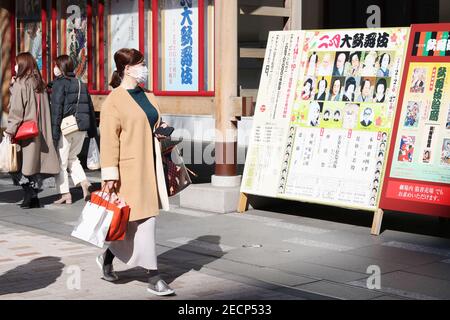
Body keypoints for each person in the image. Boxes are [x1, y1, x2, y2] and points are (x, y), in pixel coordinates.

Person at [97, 48, 174, 296]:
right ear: (126, 69)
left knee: (132, 223)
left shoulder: (148, 95)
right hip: (128, 171)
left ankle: (107, 256)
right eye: (141, 64)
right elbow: (108, 141)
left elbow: (153, 122)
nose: (145, 69)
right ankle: (154, 276)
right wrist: (109, 176)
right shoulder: (114, 101)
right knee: (144, 220)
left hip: (150, 167)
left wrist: (162, 128)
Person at [4, 52, 59, 208]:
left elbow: (16, 110)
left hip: (24, 131)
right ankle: (33, 196)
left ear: (22, 65)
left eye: (16, 63)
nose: (15, 67)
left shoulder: (21, 84)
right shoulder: (39, 82)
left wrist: (9, 131)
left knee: (15, 164)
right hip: (40, 131)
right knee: (34, 165)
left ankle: (29, 195)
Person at [50, 55, 97, 204]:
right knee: (73, 158)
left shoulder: (60, 84)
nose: (54, 68)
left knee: (61, 162)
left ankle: (65, 193)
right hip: (81, 127)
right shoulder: (80, 83)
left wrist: (54, 134)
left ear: (61, 67)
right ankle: (84, 183)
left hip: (66, 127)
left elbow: (56, 111)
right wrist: (92, 132)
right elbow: (89, 107)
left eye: (56, 65)